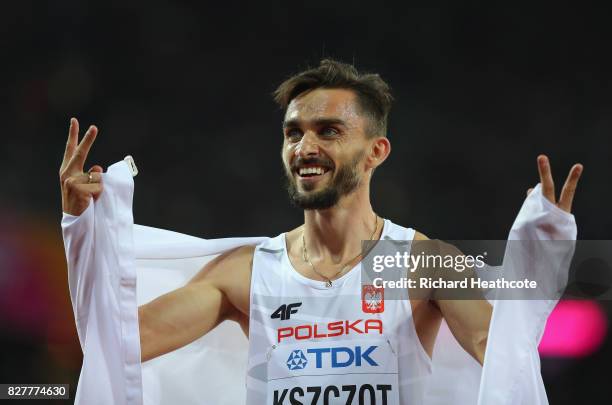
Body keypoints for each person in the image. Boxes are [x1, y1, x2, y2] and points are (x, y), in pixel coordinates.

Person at [59, 59, 583, 404]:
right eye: (293, 132)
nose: (304, 147)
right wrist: (83, 231)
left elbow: (504, 345)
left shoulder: (422, 261)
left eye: (328, 131)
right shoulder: (248, 273)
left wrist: (536, 270)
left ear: (376, 151)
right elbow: (114, 343)